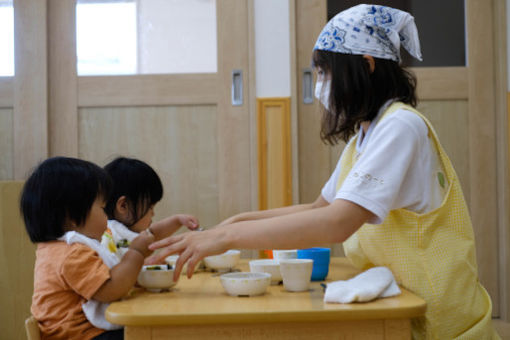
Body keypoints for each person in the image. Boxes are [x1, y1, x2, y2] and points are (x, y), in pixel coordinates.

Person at [147, 4, 499, 339]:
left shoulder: (401, 127)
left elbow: (337, 222)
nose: (319, 83)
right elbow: (320, 209)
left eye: (324, 71)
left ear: (367, 64)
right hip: (401, 301)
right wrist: (237, 222)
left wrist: (224, 239)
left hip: (435, 314)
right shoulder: (366, 135)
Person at [20, 157, 185, 340]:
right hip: (80, 336)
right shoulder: (72, 254)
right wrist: (136, 253)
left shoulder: (57, 248)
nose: (107, 218)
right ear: (74, 216)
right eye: (102, 208)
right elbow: (111, 290)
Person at [101, 156, 199, 259]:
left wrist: (177, 220)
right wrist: (149, 262)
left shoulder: (126, 232)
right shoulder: (110, 235)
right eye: (150, 208)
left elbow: (153, 233)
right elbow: (119, 268)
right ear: (123, 206)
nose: (153, 213)